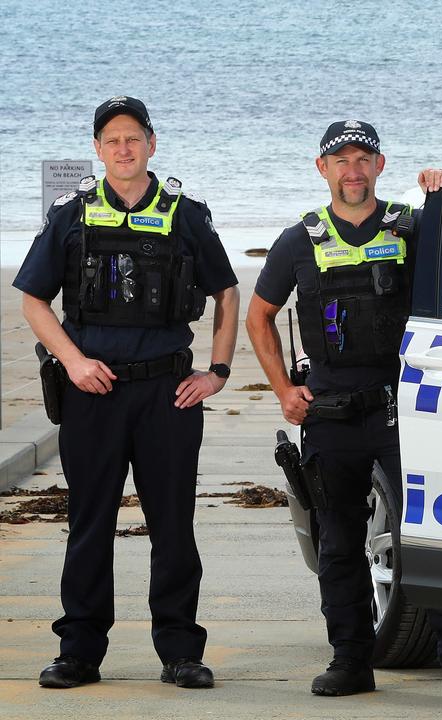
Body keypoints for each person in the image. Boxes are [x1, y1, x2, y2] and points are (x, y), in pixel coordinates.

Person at [244, 120, 442, 698]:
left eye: (363, 160)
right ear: (322, 169)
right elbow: (259, 316)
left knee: (436, 533)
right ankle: (350, 661)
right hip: (330, 416)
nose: (352, 171)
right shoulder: (299, 241)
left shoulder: (411, 225)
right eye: (341, 161)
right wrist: (284, 390)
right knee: (338, 543)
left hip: (405, 409)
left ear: (380, 166)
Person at [16, 96, 240, 689]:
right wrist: (72, 361)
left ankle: (181, 651)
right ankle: (80, 653)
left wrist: (216, 372)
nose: (123, 149)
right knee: (90, 523)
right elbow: (33, 300)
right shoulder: (71, 215)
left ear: (152, 144)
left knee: (173, 524)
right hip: (94, 392)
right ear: (97, 149)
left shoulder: (186, 213)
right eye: (111, 140)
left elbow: (227, 293)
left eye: (133, 138)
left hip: (169, 394)